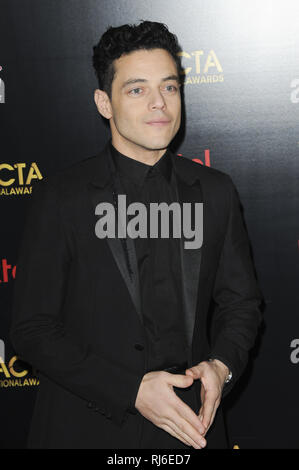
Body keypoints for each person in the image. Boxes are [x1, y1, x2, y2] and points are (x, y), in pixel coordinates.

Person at [10, 20, 262, 449]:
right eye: (137, 90)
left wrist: (221, 367)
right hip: (88, 426)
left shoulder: (215, 191)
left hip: (191, 430)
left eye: (169, 87)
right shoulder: (61, 197)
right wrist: (130, 388)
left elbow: (241, 302)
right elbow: (31, 328)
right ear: (104, 103)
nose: (159, 104)